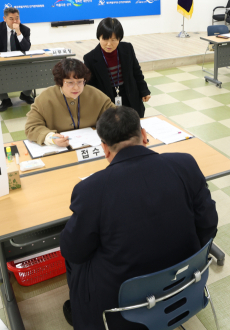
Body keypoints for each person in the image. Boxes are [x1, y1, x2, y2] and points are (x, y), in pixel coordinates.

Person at [60, 106, 218, 329]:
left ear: (104, 148)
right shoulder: (185, 164)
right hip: (185, 281)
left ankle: (82, 312)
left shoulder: (91, 189)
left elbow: (72, 250)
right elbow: (209, 224)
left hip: (122, 307)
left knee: (75, 253)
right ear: (144, 135)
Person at [25, 58, 114, 147]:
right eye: (70, 82)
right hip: (59, 149)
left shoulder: (96, 95)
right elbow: (31, 127)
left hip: (93, 146)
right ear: (60, 81)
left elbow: (116, 118)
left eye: (80, 82)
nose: (76, 87)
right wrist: (51, 138)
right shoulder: (44, 98)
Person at [83, 18, 151, 118]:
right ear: (99, 37)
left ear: (119, 39)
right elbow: (91, 86)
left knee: (133, 125)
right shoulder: (90, 58)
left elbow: (136, 72)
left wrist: (144, 90)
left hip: (130, 95)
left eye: (113, 40)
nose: (109, 44)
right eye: (105, 39)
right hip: (106, 98)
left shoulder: (127, 49)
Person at [0, 7, 34, 112]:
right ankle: (5, 100)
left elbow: (26, 48)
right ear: (4, 18)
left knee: (32, 68)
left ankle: (25, 95)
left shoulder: (25, 29)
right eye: (11, 18)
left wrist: (18, 32)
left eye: (17, 18)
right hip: (1, 59)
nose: (15, 21)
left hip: (19, 59)